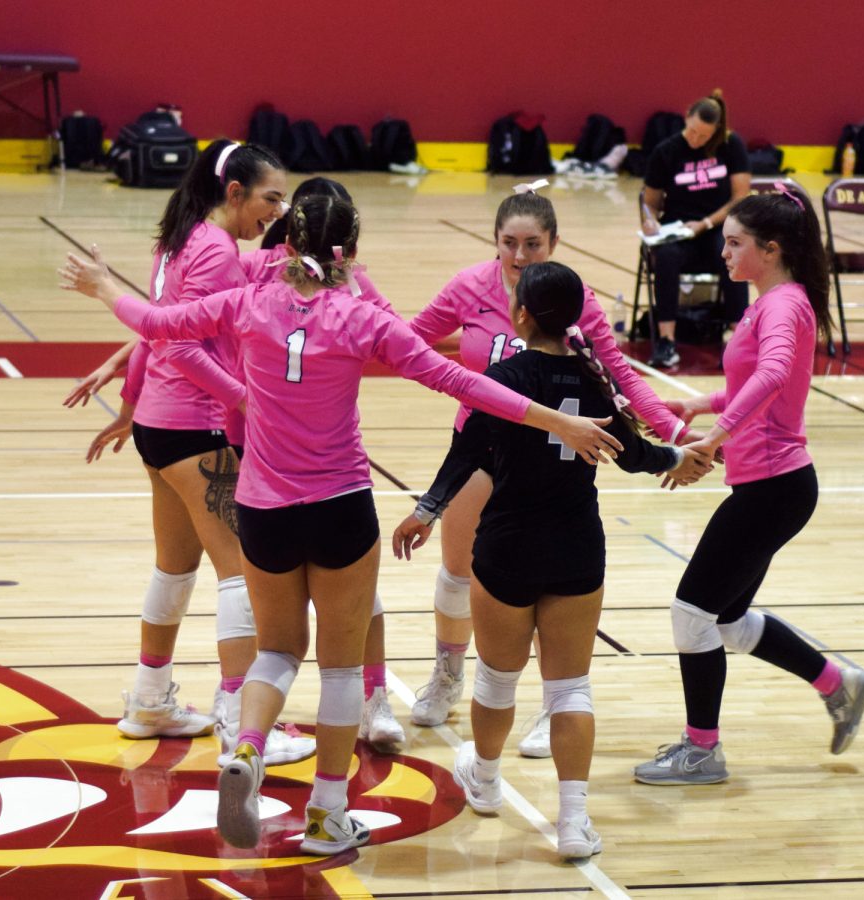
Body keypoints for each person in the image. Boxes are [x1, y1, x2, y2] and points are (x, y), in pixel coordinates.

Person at [59, 193, 626, 855]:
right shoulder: (361, 321)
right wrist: (557, 419)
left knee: (275, 652)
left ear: (286, 243)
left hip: (263, 506)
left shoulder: (247, 304)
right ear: (350, 252)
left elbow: (158, 325)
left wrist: (103, 288)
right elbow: (460, 382)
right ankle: (328, 814)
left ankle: (247, 748)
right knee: (338, 668)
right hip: (339, 506)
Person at [392, 261, 707, 861]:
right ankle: (573, 821)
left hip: (508, 545)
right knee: (570, 689)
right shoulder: (592, 381)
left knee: (496, 680)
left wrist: (426, 511)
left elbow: (466, 452)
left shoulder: (504, 376)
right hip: (575, 546)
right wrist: (677, 458)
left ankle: (483, 779)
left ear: (521, 315)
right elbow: (635, 454)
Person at [407, 184, 702, 758]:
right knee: (458, 569)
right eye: (509, 244)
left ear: (554, 243)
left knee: (552, 581)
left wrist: (673, 433)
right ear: (494, 242)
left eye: (533, 245)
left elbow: (619, 378)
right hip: (484, 445)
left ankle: (551, 707)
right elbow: (408, 345)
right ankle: (447, 675)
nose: (520, 257)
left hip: (556, 454)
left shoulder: (574, 299)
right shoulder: (468, 287)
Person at [61, 139, 313, 768]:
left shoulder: (178, 238)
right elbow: (179, 346)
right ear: (234, 192)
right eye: (270, 198)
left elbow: (156, 329)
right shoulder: (218, 252)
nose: (277, 213)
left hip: (159, 428)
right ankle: (236, 719)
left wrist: (131, 405)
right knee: (241, 573)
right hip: (197, 431)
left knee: (174, 568)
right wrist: (245, 399)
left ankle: (149, 701)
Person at [632, 189, 864, 787]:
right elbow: (762, 380)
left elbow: (771, 376)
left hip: (775, 488)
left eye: (735, 242)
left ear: (770, 249)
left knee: (692, 612)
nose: (723, 250)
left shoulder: (784, 305)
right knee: (726, 619)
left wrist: (713, 437)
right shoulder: (773, 300)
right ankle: (838, 684)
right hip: (774, 487)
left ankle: (702, 750)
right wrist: (696, 402)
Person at [242, 176, 404, 753]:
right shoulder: (262, 276)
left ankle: (373, 697)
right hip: (297, 463)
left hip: (282, 480)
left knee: (319, 624)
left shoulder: (343, 281)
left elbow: (171, 322)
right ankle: (330, 801)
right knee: (328, 626)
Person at [641, 91, 751, 369]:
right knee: (666, 257)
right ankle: (666, 341)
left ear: (716, 132)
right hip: (679, 231)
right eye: (692, 131)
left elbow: (740, 198)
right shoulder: (665, 151)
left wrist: (705, 223)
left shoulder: (730, 145)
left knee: (736, 252)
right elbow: (650, 203)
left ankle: (738, 338)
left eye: (703, 136)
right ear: (686, 118)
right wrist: (650, 221)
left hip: (716, 229)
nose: (695, 139)